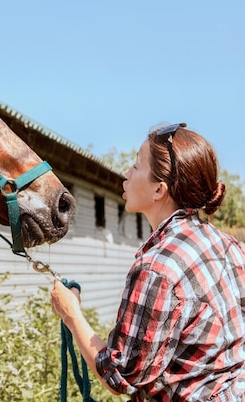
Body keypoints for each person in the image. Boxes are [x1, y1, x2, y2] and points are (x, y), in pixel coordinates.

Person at [50, 122, 245, 401]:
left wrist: (71, 314)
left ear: (159, 190)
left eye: (137, 166)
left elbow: (121, 376)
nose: (127, 173)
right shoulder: (227, 244)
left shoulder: (157, 269)